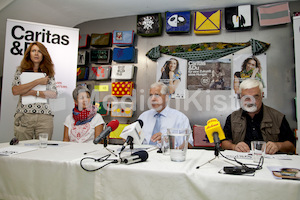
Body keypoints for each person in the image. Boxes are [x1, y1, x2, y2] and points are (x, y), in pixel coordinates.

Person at [222, 79, 296, 154]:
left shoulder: (278, 117)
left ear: (262, 95)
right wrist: (234, 147)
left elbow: (291, 146)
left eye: (255, 97)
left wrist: (278, 146)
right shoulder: (232, 118)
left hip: (270, 162)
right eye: (246, 97)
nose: (251, 101)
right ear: (241, 97)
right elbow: (224, 143)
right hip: (241, 161)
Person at [12, 42, 57, 140]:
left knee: (43, 150)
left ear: (43, 54)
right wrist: (38, 81)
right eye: (33, 51)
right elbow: (15, 90)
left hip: (44, 117)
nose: (36, 54)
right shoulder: (20, 71)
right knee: (22, 150)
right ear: (29, 54)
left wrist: (32, 92)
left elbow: (53, 94)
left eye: (39, 51)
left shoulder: (49, 72)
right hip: (24, 115)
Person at [138, 82, 193, 148]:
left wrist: (168, 140)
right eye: (151, 95)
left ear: (166, 97)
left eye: (157, 95)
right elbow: (136, 140)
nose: (152, 99)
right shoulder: (143, 117)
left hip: (168, 156)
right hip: (144, 156)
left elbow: (189, 145)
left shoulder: (180, 118)